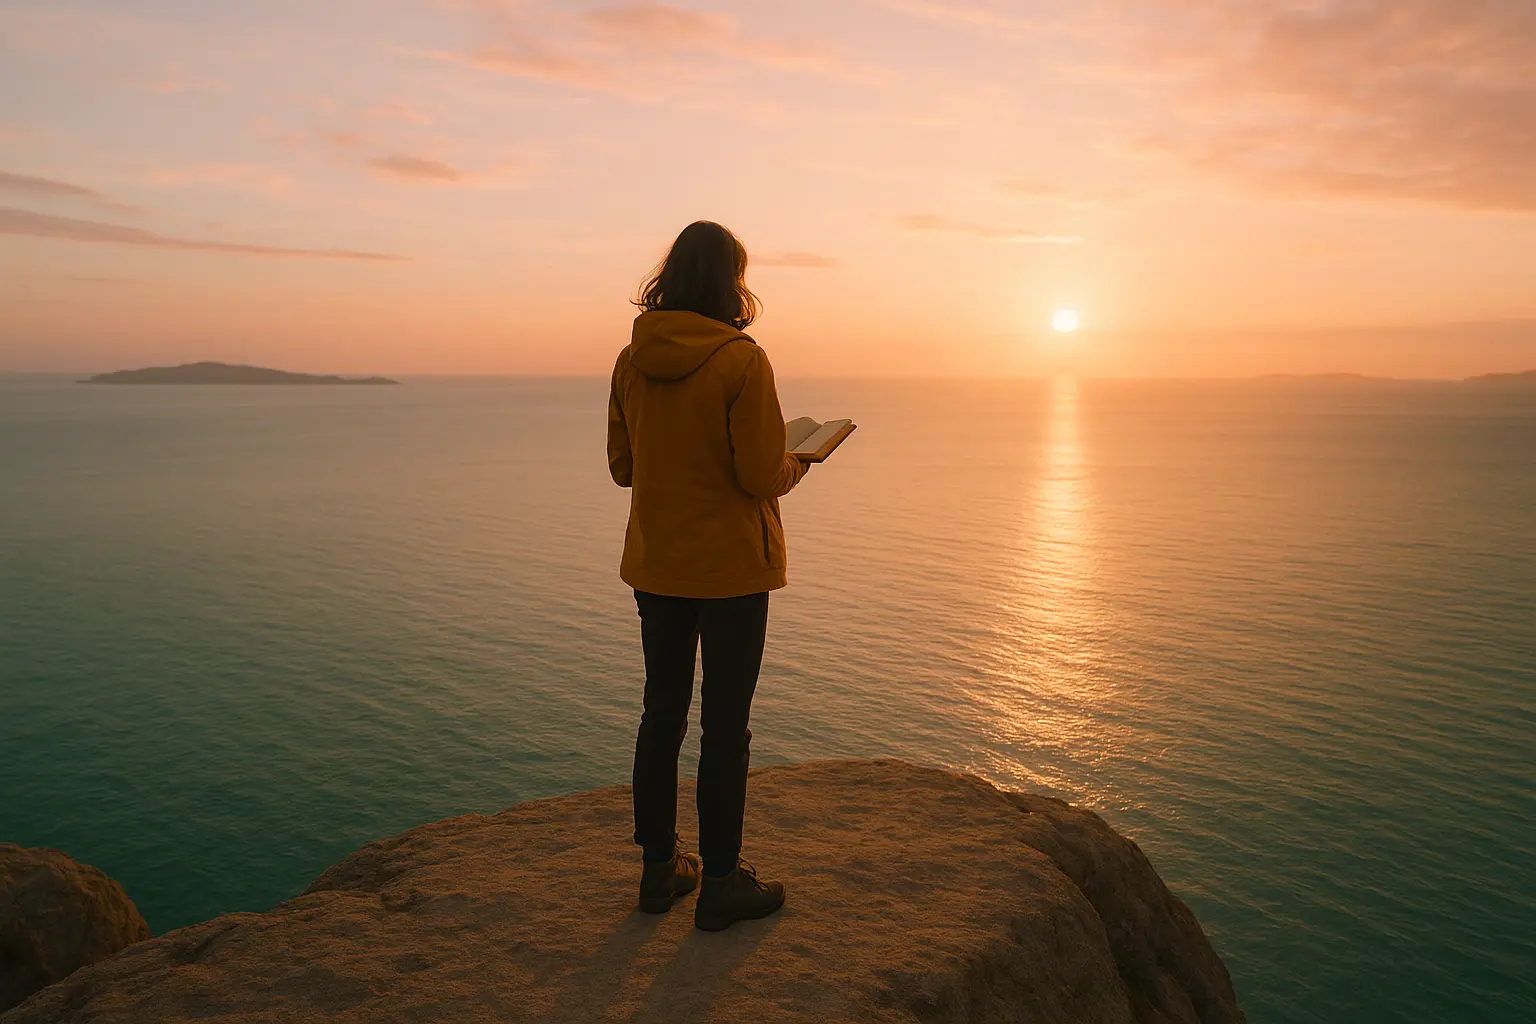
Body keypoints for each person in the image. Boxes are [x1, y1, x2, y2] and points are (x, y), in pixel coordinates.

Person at [606, 220, 808, 932]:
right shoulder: (741, 362)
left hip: (656, 564)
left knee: (662, 714)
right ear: (732, 281)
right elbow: (760, 474)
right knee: (726, 727)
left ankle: (659, 870)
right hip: (729, 571)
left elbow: (623, 467)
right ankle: (722, 881)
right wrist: (800, 462)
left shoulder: (631, 361)